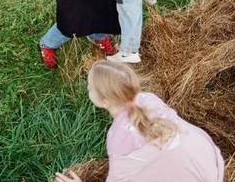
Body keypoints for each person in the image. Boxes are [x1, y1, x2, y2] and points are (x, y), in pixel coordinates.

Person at [55, 60, 225, 182]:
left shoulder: (119, 137)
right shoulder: (148, 99)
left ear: (103, 100)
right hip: (209, 164)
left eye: (90, 88)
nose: (87, 89)